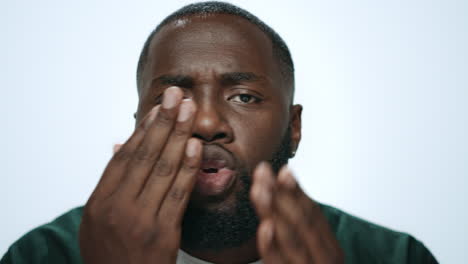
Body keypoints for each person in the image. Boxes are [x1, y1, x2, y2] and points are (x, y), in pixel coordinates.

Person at [1, 2, 438, 264]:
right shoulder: (44, 256)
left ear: (294, 127)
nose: (207, 123)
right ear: (138, 128)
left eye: (244, 97)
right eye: (174, 97)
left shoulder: (392, 257)